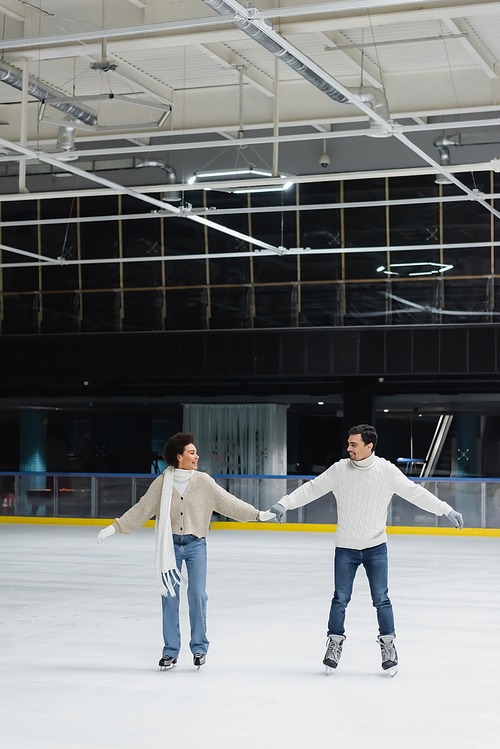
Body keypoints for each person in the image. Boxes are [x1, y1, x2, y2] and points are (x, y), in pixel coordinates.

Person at [268, 424, 464, 677]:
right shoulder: (339, 470)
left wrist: (446, 509)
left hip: (375, 547)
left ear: (369, 446)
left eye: (354, 445)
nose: (348, 449)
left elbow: (415, 493)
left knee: (381, 599)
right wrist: (285, 503)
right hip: (346, 548)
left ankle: (388, 645)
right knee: (340, 598)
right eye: (348, 444)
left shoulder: (386, 471)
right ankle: (334, 643)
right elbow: (311, 488)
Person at [97, 432, 274, 671]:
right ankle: (170, 652)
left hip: (195, 545)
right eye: (192, 452)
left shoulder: (203, 481)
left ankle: (199, 647)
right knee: (170, 597)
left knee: (198, 596)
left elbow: (228, 502)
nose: (197, 456)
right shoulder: (162, 482)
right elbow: (142, 509)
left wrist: (257, 514)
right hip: (168, 546)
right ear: (178, 456)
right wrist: (115, 527)